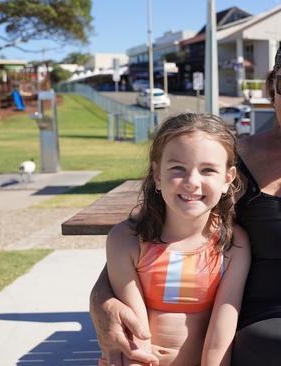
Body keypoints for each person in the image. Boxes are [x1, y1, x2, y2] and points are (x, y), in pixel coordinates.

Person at [89, 29, 281, 365]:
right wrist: (103, 305)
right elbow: (145, 241)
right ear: (272, 89)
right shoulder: (228, 165)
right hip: (271, 342)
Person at [101, 113, 250, 365]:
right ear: (157, 174)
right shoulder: (126, 241)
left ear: (228, 178)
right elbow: (137, 332)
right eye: (178, 168)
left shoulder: (233, 245)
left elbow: (219, 337)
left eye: (208, 170)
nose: (192, 181)